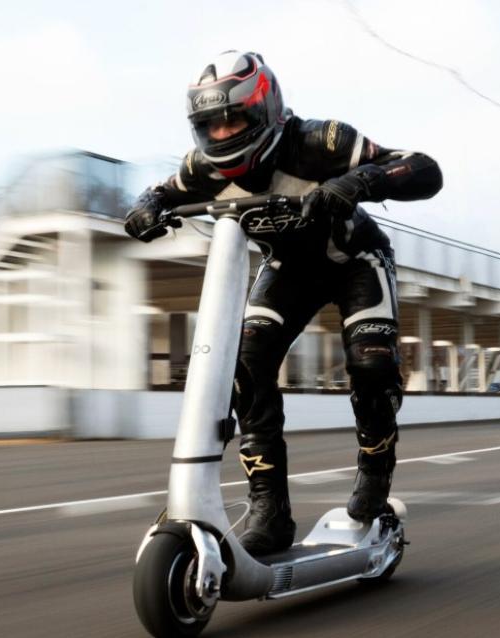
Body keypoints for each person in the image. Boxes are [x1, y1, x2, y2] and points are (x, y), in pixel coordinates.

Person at [124, 50, 442, 555]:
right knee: (245, 366)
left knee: (371, 363)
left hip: (355, 260)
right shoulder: (199, 169)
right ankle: (269, 509)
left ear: (267, 109)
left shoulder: (323, 140)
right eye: (211, 125)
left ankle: (376, 472)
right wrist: (144, 209)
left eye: (235, 119)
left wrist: (357, 181)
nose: (223, 134)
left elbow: (424, 169)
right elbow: (157, 194)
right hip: (287, 270)